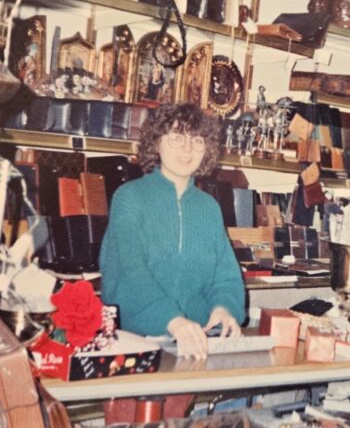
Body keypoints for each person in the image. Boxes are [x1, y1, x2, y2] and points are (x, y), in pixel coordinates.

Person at [99, 103, 245, 360]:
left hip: (197, 343)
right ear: (156, 142)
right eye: (177, 137)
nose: (187, 149)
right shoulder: (130, 197)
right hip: (140, 344)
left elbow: (226, 276)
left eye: (197, 140)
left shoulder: (209, 208)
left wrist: (225, 308)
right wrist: (173, 321)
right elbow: (129, 271)